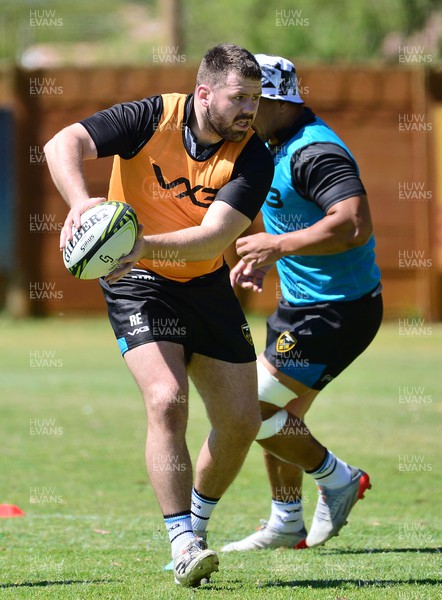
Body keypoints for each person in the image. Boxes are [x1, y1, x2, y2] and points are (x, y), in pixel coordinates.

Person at [43, 43, 274, 587]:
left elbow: (212, 239)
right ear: (203, 94)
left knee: (241, 421)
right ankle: (182, 539)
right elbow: (63, 142)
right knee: (166, 398)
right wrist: (81, 204)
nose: (249, 109)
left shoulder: (254, 155)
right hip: (138, 283)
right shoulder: (153, 117)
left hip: (200, 281)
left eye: (256, 99)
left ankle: (195, 522)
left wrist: (133, 245)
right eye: (238, 97)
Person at [223, 54, 383, 552]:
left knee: (248, 408)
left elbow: (353, 222)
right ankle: (286, 521)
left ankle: (338, 480)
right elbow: (298, 223)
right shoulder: (274, 144)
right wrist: (269, 258)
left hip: (336, 311)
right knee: (279, 416)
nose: (241, 112)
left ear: (273, 100)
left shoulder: (314, 152)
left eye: (249, 101)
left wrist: (277, 246)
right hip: (301, 305)